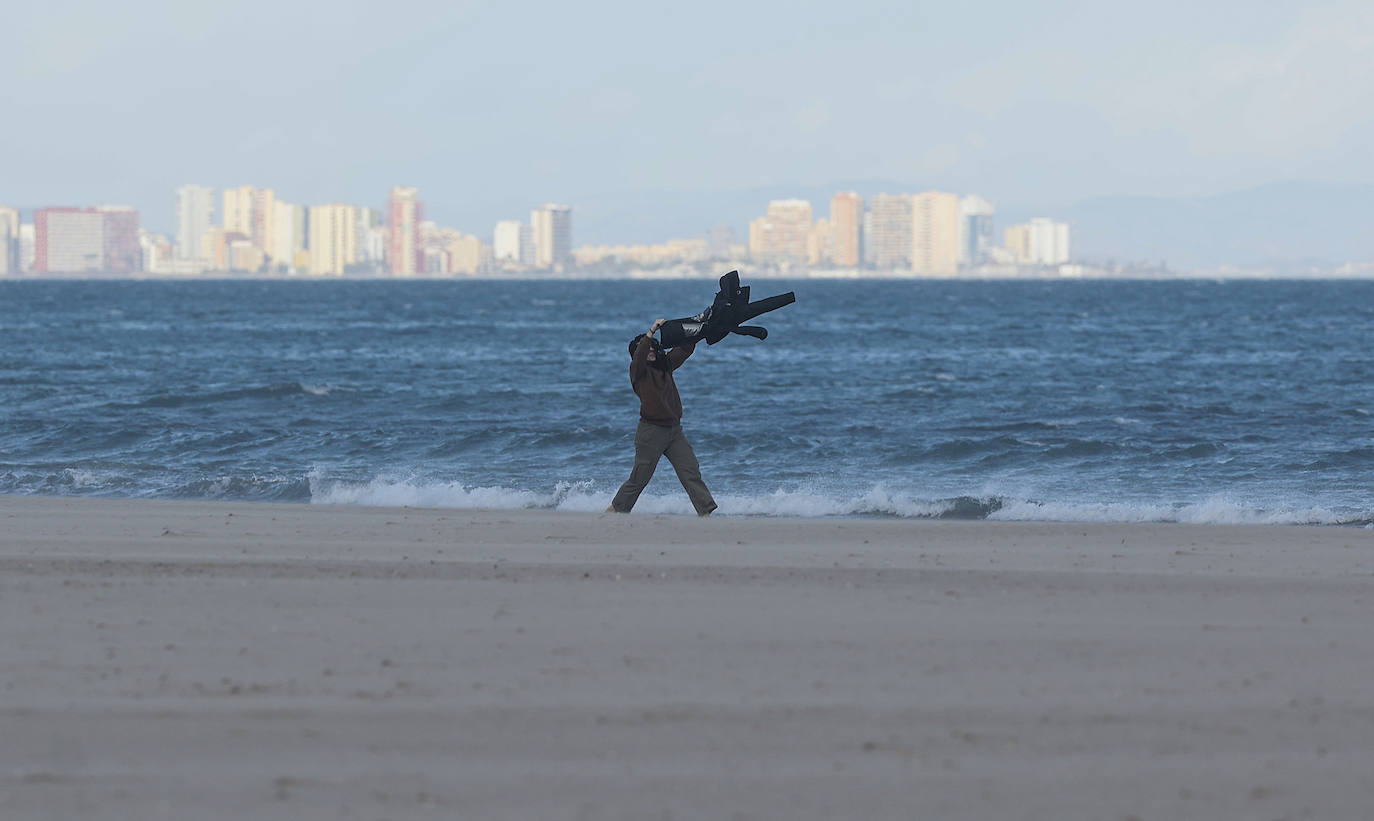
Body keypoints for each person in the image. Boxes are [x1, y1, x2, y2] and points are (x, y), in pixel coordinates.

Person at [607, 317, 717, 516]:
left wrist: (699, 331)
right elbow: (640, 355)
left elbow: (684, 350)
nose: (649, 350)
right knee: (640, 478)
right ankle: (616, 509)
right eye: (644, 348)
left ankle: (706, 512)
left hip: (674, 432)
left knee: (690, 471)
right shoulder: (637, 371)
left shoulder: (665, 365)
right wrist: (651, 331)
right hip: (651, 432)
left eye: (651, 348)